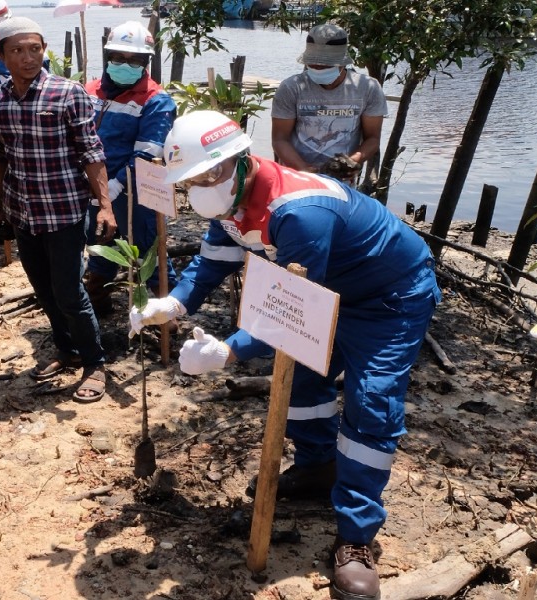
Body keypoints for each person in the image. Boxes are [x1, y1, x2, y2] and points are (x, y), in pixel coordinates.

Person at [130, 110, 441, 599]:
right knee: (299, 381)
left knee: (371, 403)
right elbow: (214, 260)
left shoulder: (298, 211)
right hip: (330, 290)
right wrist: (174, 302)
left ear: (241, 162)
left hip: (389, 298)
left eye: (211, 174)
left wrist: (229, 352)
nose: (202, 186)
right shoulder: (233, 203)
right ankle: (320, 465)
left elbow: (297, 317)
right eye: (192, 180)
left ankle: (356, 537)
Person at [0, 16, 117, 403]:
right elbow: (3, 157)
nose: (29, 58)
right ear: (1, 55)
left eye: (35, 49)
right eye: (18, 51)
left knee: (69, 291)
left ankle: (95, 363)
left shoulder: (68, 93)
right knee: (42, 288)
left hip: (63, 211)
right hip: (23, 211)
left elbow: (92, 153)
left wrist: (105, 207)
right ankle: (66, 348)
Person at [83, 20, 177, 315]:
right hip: (94, 187)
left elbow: (148, 156)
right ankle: (99, 302)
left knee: (150, 251)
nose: (127, 64)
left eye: (135, 59)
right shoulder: (90, 90)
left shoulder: (156, 101)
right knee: (100, 242)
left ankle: (168, 314)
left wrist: (111, 191)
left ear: (146, 61)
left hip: (135, 191)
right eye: (120, 58)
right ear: (108, 56)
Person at [270, 23, 387, 184]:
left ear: (343, 63)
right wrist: (303, 169)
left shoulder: (367, 88)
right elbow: (280, 139)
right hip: (296, 178)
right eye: (312, 65)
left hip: (342, 182)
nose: (317, 69)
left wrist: (352, 162)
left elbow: (373, 139)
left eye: (324, 66)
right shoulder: (291, 88)